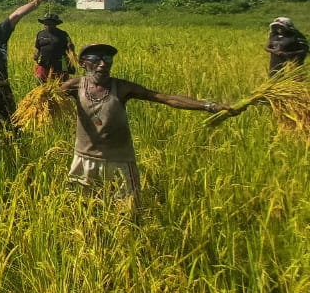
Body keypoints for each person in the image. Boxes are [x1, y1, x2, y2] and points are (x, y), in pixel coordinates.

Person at [60, 43, 231, 211]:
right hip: (84, 159)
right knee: (80, 208)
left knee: (125, 211)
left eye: (107, 59)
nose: (103, 64)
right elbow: (48, 99)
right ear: (83, 63)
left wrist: (210, 106)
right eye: (96, 58)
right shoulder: (75, 86)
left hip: (118, 161)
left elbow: (166, 98)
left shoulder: (121, 87)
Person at [33, 12, 76, 82]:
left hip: (59, 63)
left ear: (55, 24)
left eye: (49, 24)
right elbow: (38, 47)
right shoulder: (40, 34)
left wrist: (71, 48)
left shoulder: (63, 34)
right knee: (40, 80)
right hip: (44, 62)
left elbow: (70, 48)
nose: (47, 25)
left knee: (61, 82)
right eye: (45, 23)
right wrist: (36, 55)